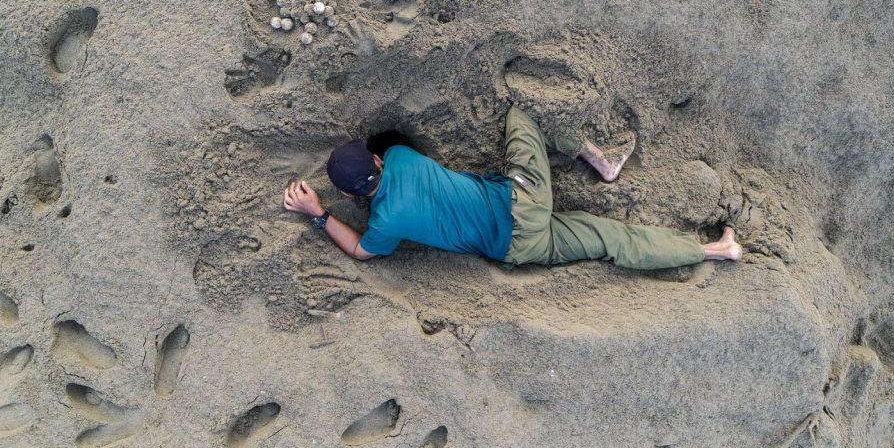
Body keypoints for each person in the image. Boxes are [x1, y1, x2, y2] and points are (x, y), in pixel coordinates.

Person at [283, 106, 742, 268]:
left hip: (517, 249)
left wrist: (319, 215)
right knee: (521, 120)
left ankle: (714, 252)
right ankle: (600, 162)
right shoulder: (403, 157)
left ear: (350, 195)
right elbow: (396, 144)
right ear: (378, 159)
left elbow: (363, 251)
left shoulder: (385, 223)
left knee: (615, 240)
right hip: (522, 197)